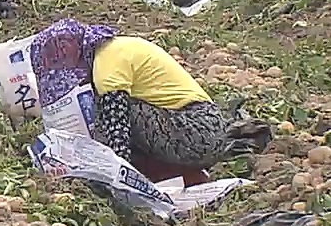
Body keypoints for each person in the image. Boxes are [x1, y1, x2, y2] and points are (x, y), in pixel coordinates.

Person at [29, 20, 231, 183]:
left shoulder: (106, 68)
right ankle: (182, 176)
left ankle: (165, 177)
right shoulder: (114, 48)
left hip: (198, 130)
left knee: (107, 116)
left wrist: (105, 177)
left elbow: (118, 139)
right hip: (206, 128)